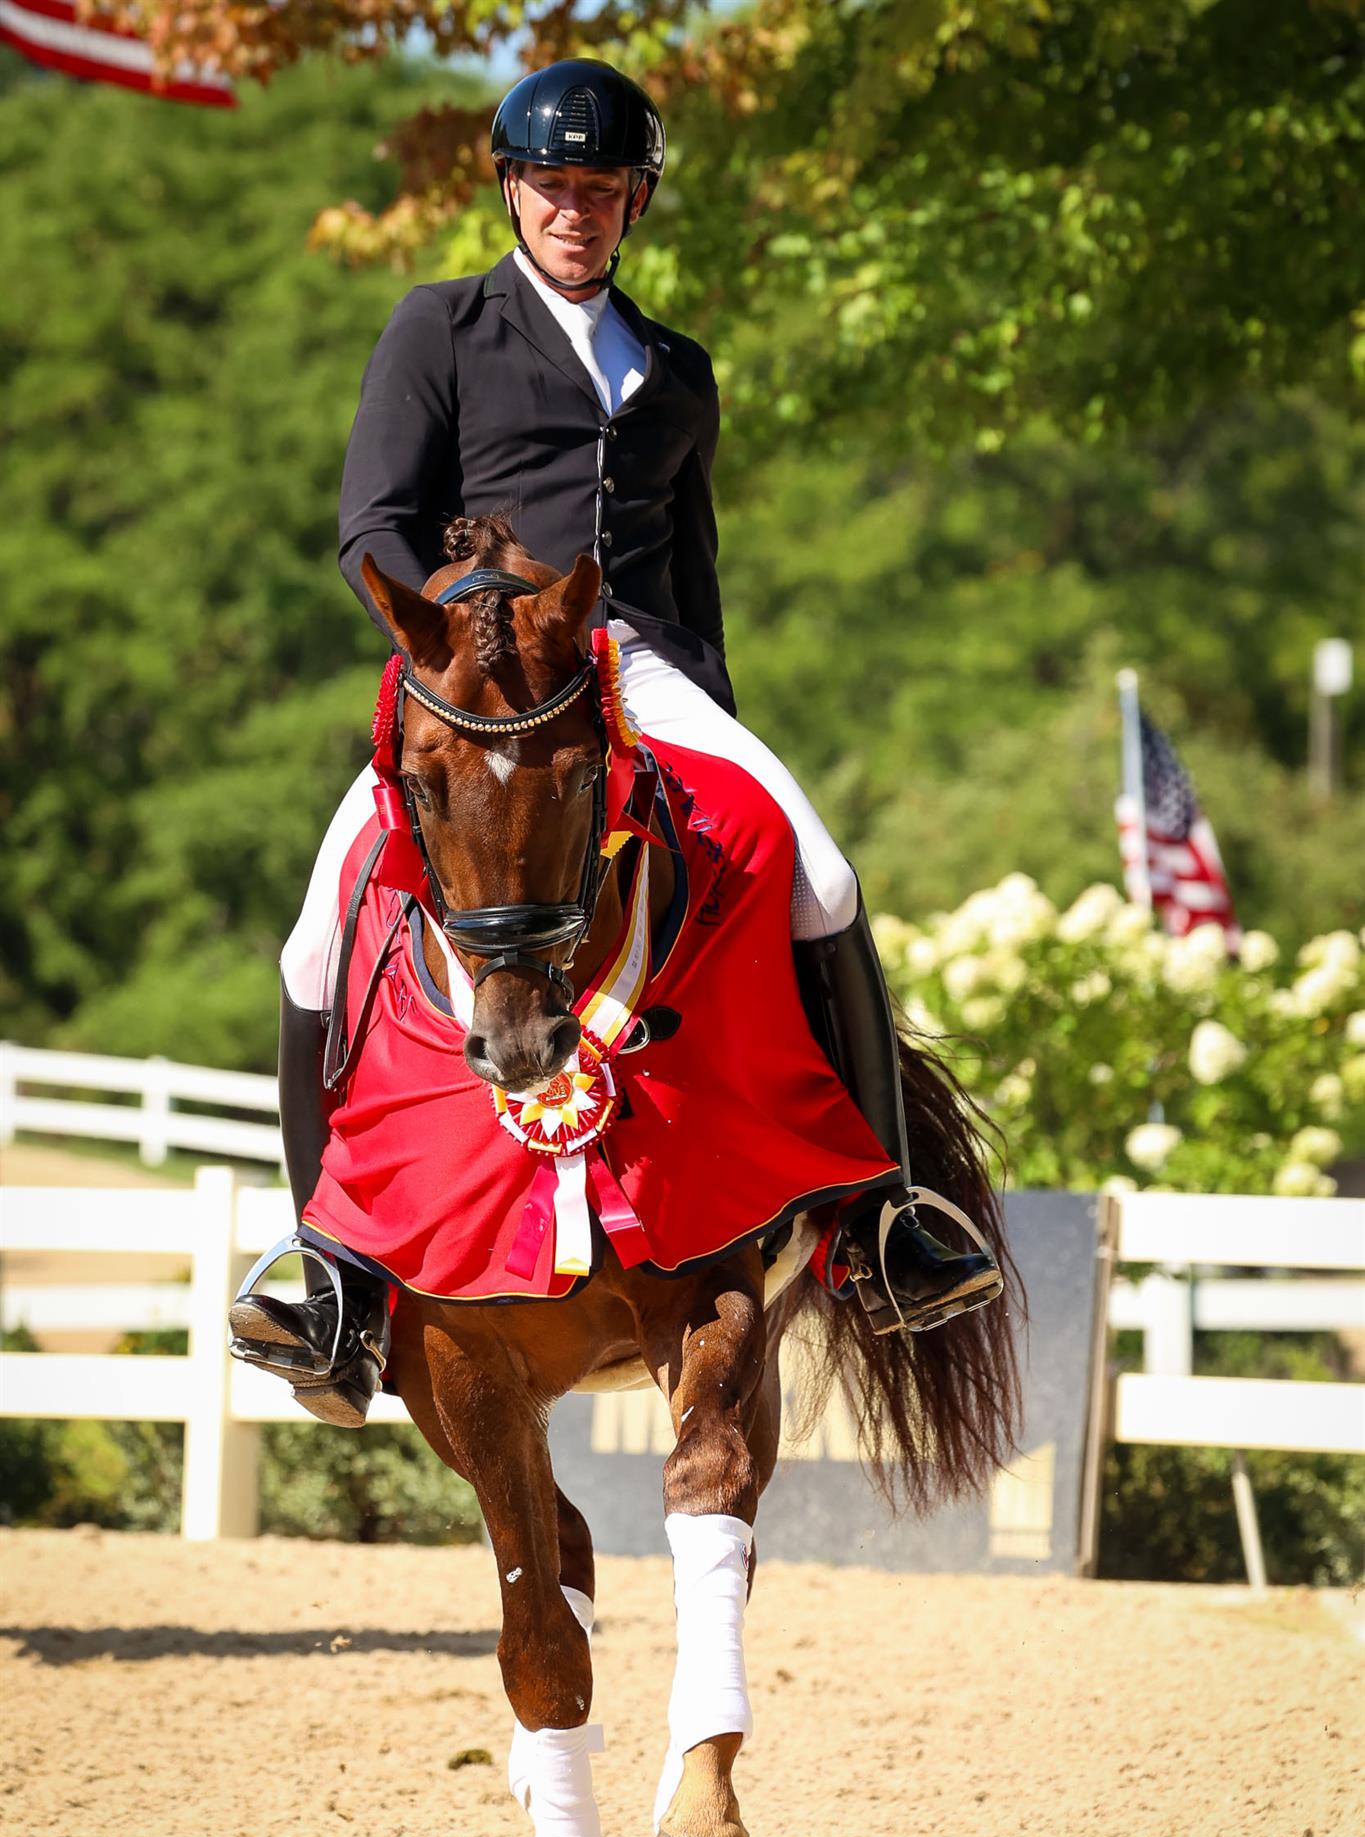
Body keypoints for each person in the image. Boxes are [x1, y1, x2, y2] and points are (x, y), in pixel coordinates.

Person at [229, 58, 1001, 1424]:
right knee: (313, 930)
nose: (571, 210)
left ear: (634, 201)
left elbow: (691, 573)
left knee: (822, 874)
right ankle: (330, 1275)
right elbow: (372, 527)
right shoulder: (439, 325)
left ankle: (881, 1223)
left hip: (638, 665)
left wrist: (713, 716)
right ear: (510, 190)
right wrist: (467, 628)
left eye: (597, 188)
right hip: (479, 669)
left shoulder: (677, 368)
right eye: (549, 186)